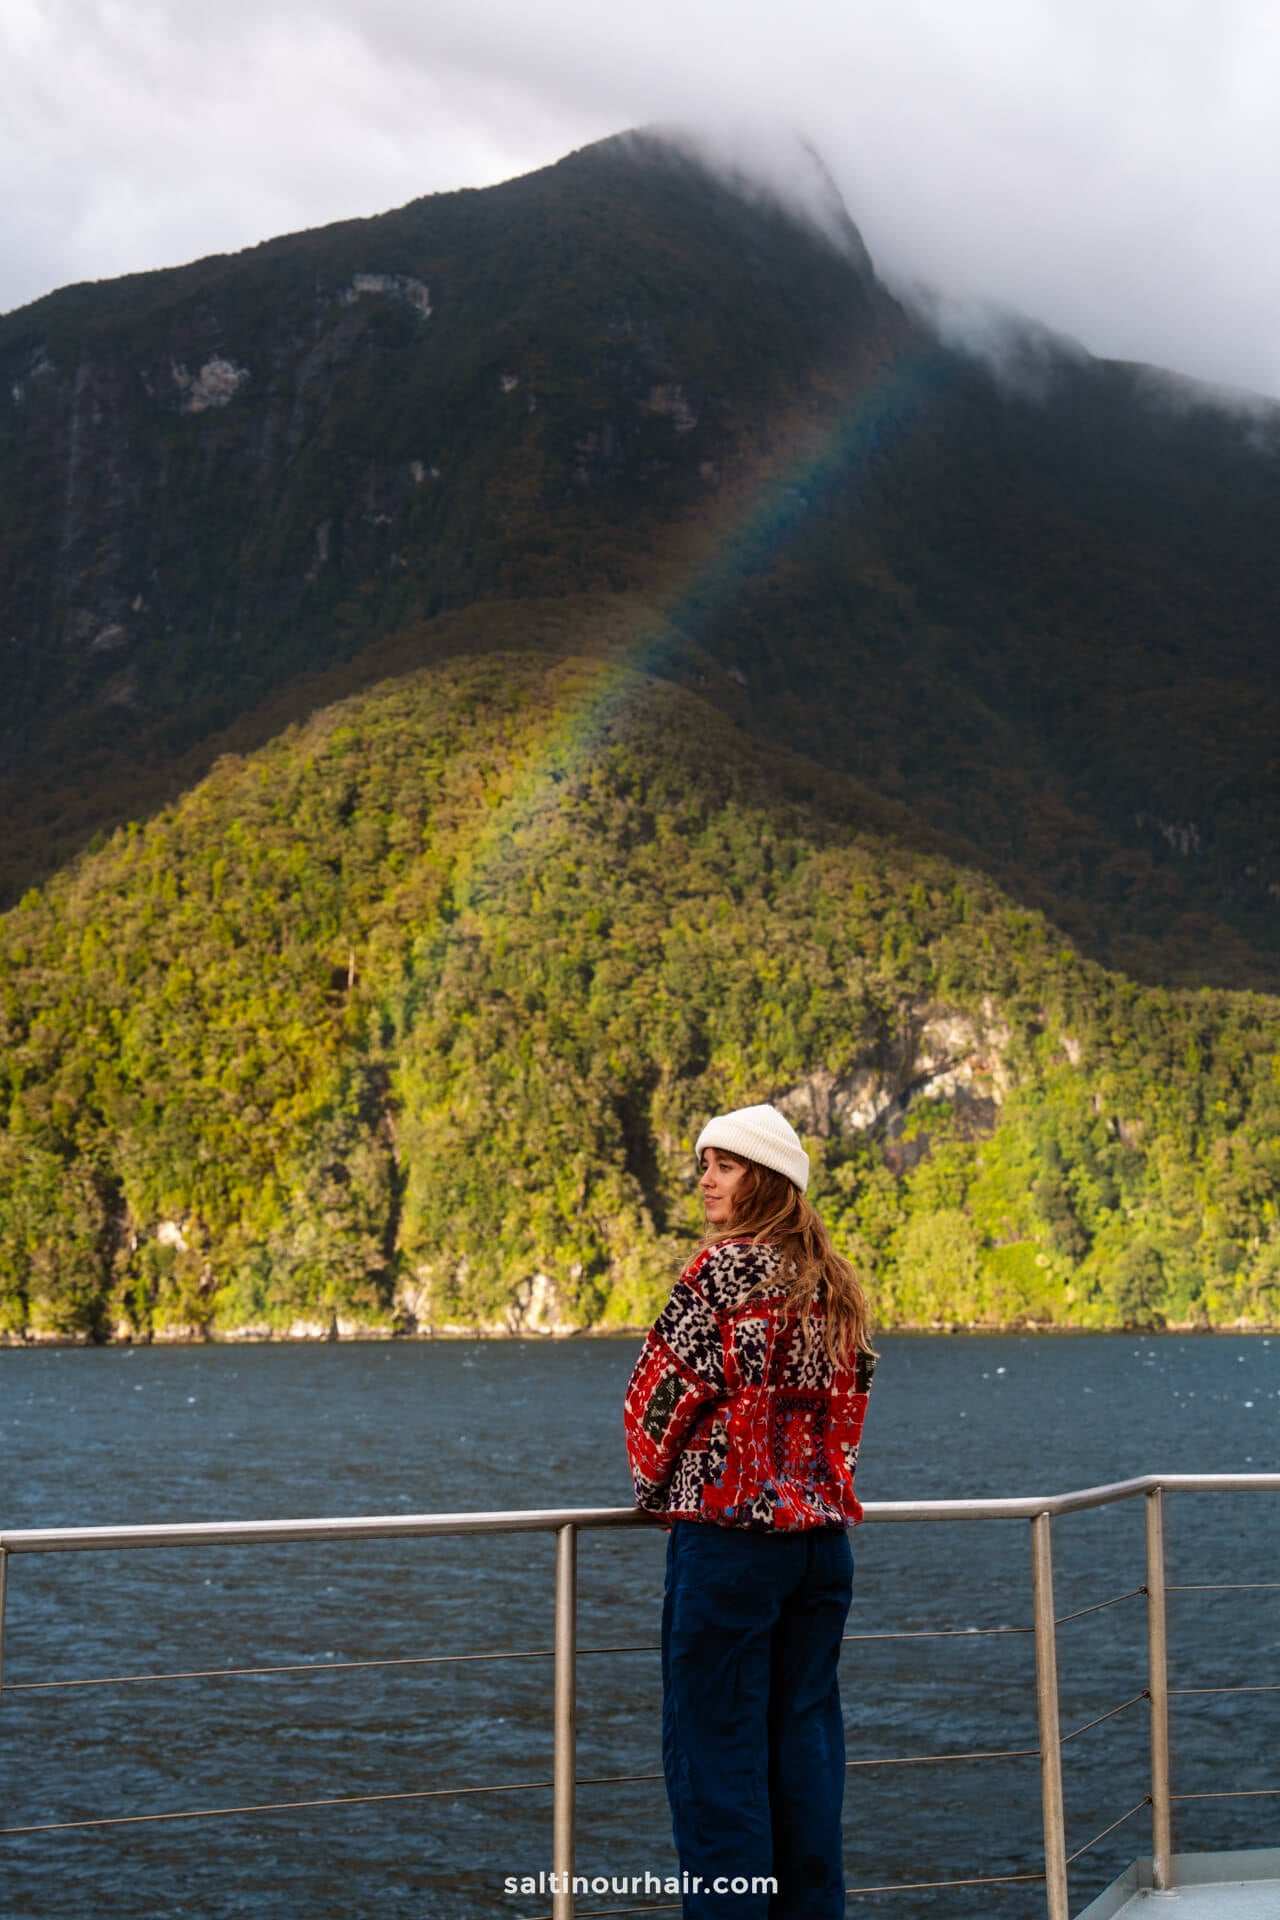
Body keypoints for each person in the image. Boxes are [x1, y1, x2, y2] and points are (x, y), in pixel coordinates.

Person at [623, 1103, 876, 1919]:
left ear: (763, 1180)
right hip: (821, 1547)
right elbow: (849, 1415)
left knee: (715, 1760)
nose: (705, 1180)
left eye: (723, 1166)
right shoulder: (836, 1287)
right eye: (704, 1164)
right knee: (804, 1752)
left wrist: (662, 1493)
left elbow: (654, 1399)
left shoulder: (722, 1273)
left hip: (732, 1543)